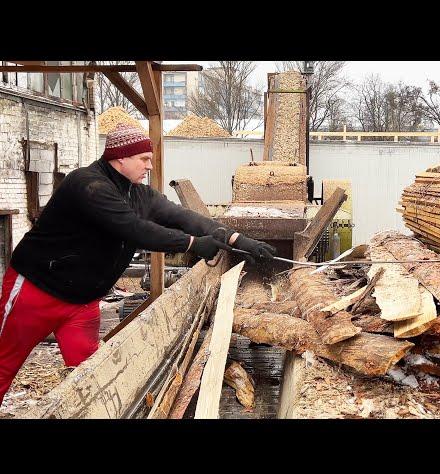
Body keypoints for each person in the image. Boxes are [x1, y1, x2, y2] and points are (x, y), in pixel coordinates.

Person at [0, 123, 276, 405]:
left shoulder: (138, 194)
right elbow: (134, 229)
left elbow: (184, 217)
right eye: (143, 159)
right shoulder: (87, 185)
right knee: (3, 363)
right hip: (36, 291)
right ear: (120, 157)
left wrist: (239, 240)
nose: (149, 166)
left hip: (82, 302)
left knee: (89, 381)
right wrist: (192, 244)